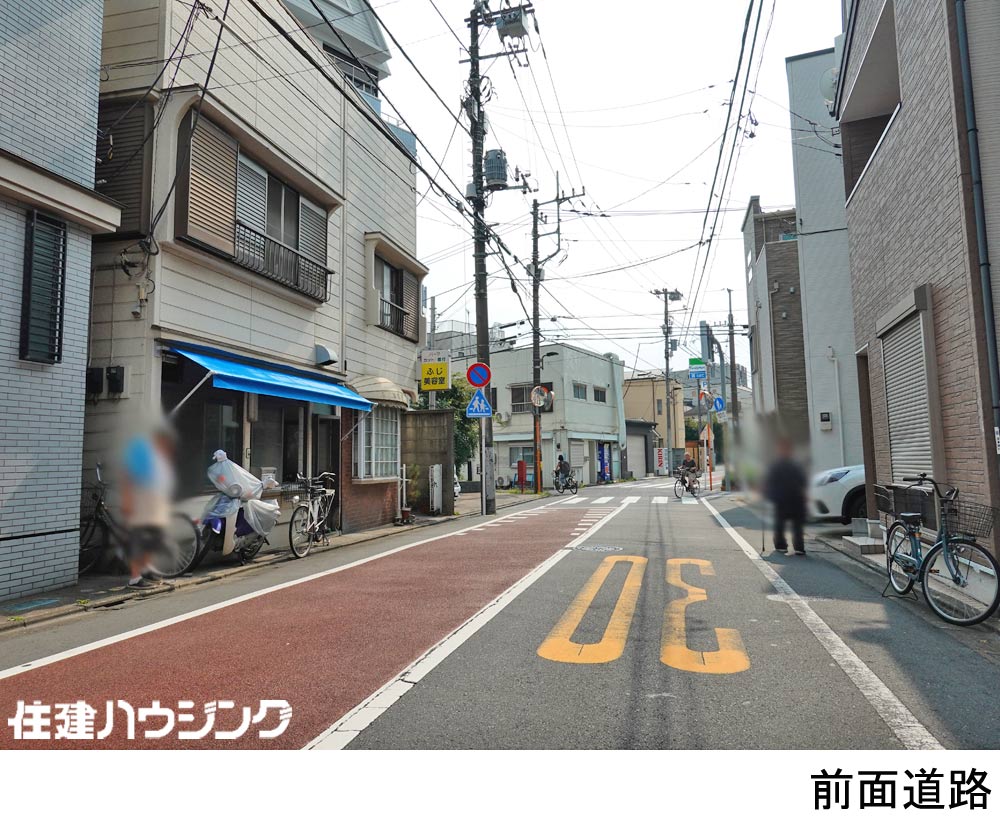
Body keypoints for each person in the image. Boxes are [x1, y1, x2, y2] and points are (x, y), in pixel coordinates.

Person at [120, 420, 177, 587]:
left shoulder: (158, 456)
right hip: (142, 500)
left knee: (153, 538)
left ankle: (146, 570)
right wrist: (128, 500)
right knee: (139, 537)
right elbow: (127, 477)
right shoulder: (140, 452)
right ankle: (135, 577)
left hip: (156, 501)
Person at [764, 437, 808, 555]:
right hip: (784, 499)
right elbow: (769, 482)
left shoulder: (793, 465)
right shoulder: (778, 466)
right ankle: (784, 545)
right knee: (782, 524)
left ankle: (797, 546)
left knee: (795, 525)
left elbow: (802, 481)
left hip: (793, 499)